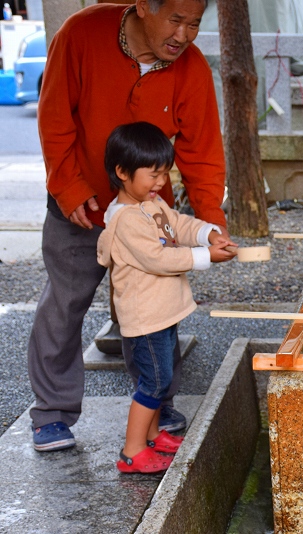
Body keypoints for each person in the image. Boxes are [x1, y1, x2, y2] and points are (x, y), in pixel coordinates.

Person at [29, 0, 227, 452]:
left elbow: (203, 152)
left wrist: (210, 222)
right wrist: (69, 188)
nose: (184, 35)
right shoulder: (80, 34)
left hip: (149, 213)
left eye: (194, 24)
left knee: (157, 308)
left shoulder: (192, 68)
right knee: (65, 304)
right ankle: (52, 413)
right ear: (142, 7)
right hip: (80, 204)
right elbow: (54, 118)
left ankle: (156, 405)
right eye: (175, 20)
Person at [97, 122, 235, 473]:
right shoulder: (126, 220)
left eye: (165, 173)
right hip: (144, 318)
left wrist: (208, 234)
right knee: (154, 381)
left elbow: (180, 224)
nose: (161, 182)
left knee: (159, 376)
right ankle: (132, 451)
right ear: (122, 172)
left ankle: (153, 435)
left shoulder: (151, 203)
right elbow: (157, 259)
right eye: (153, 174)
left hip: (162, 312)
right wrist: (205, 258)